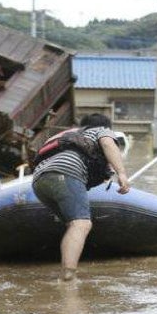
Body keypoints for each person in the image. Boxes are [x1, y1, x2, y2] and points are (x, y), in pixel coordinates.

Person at [32, 113, 131, 281]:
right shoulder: (101, 130)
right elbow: (107, 144)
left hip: (39, 180)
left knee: (72, 224)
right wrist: (121, 173)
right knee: (81, 224)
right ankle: (68, 277)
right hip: (66, 173)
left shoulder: (67, 136)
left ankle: (67, 268)